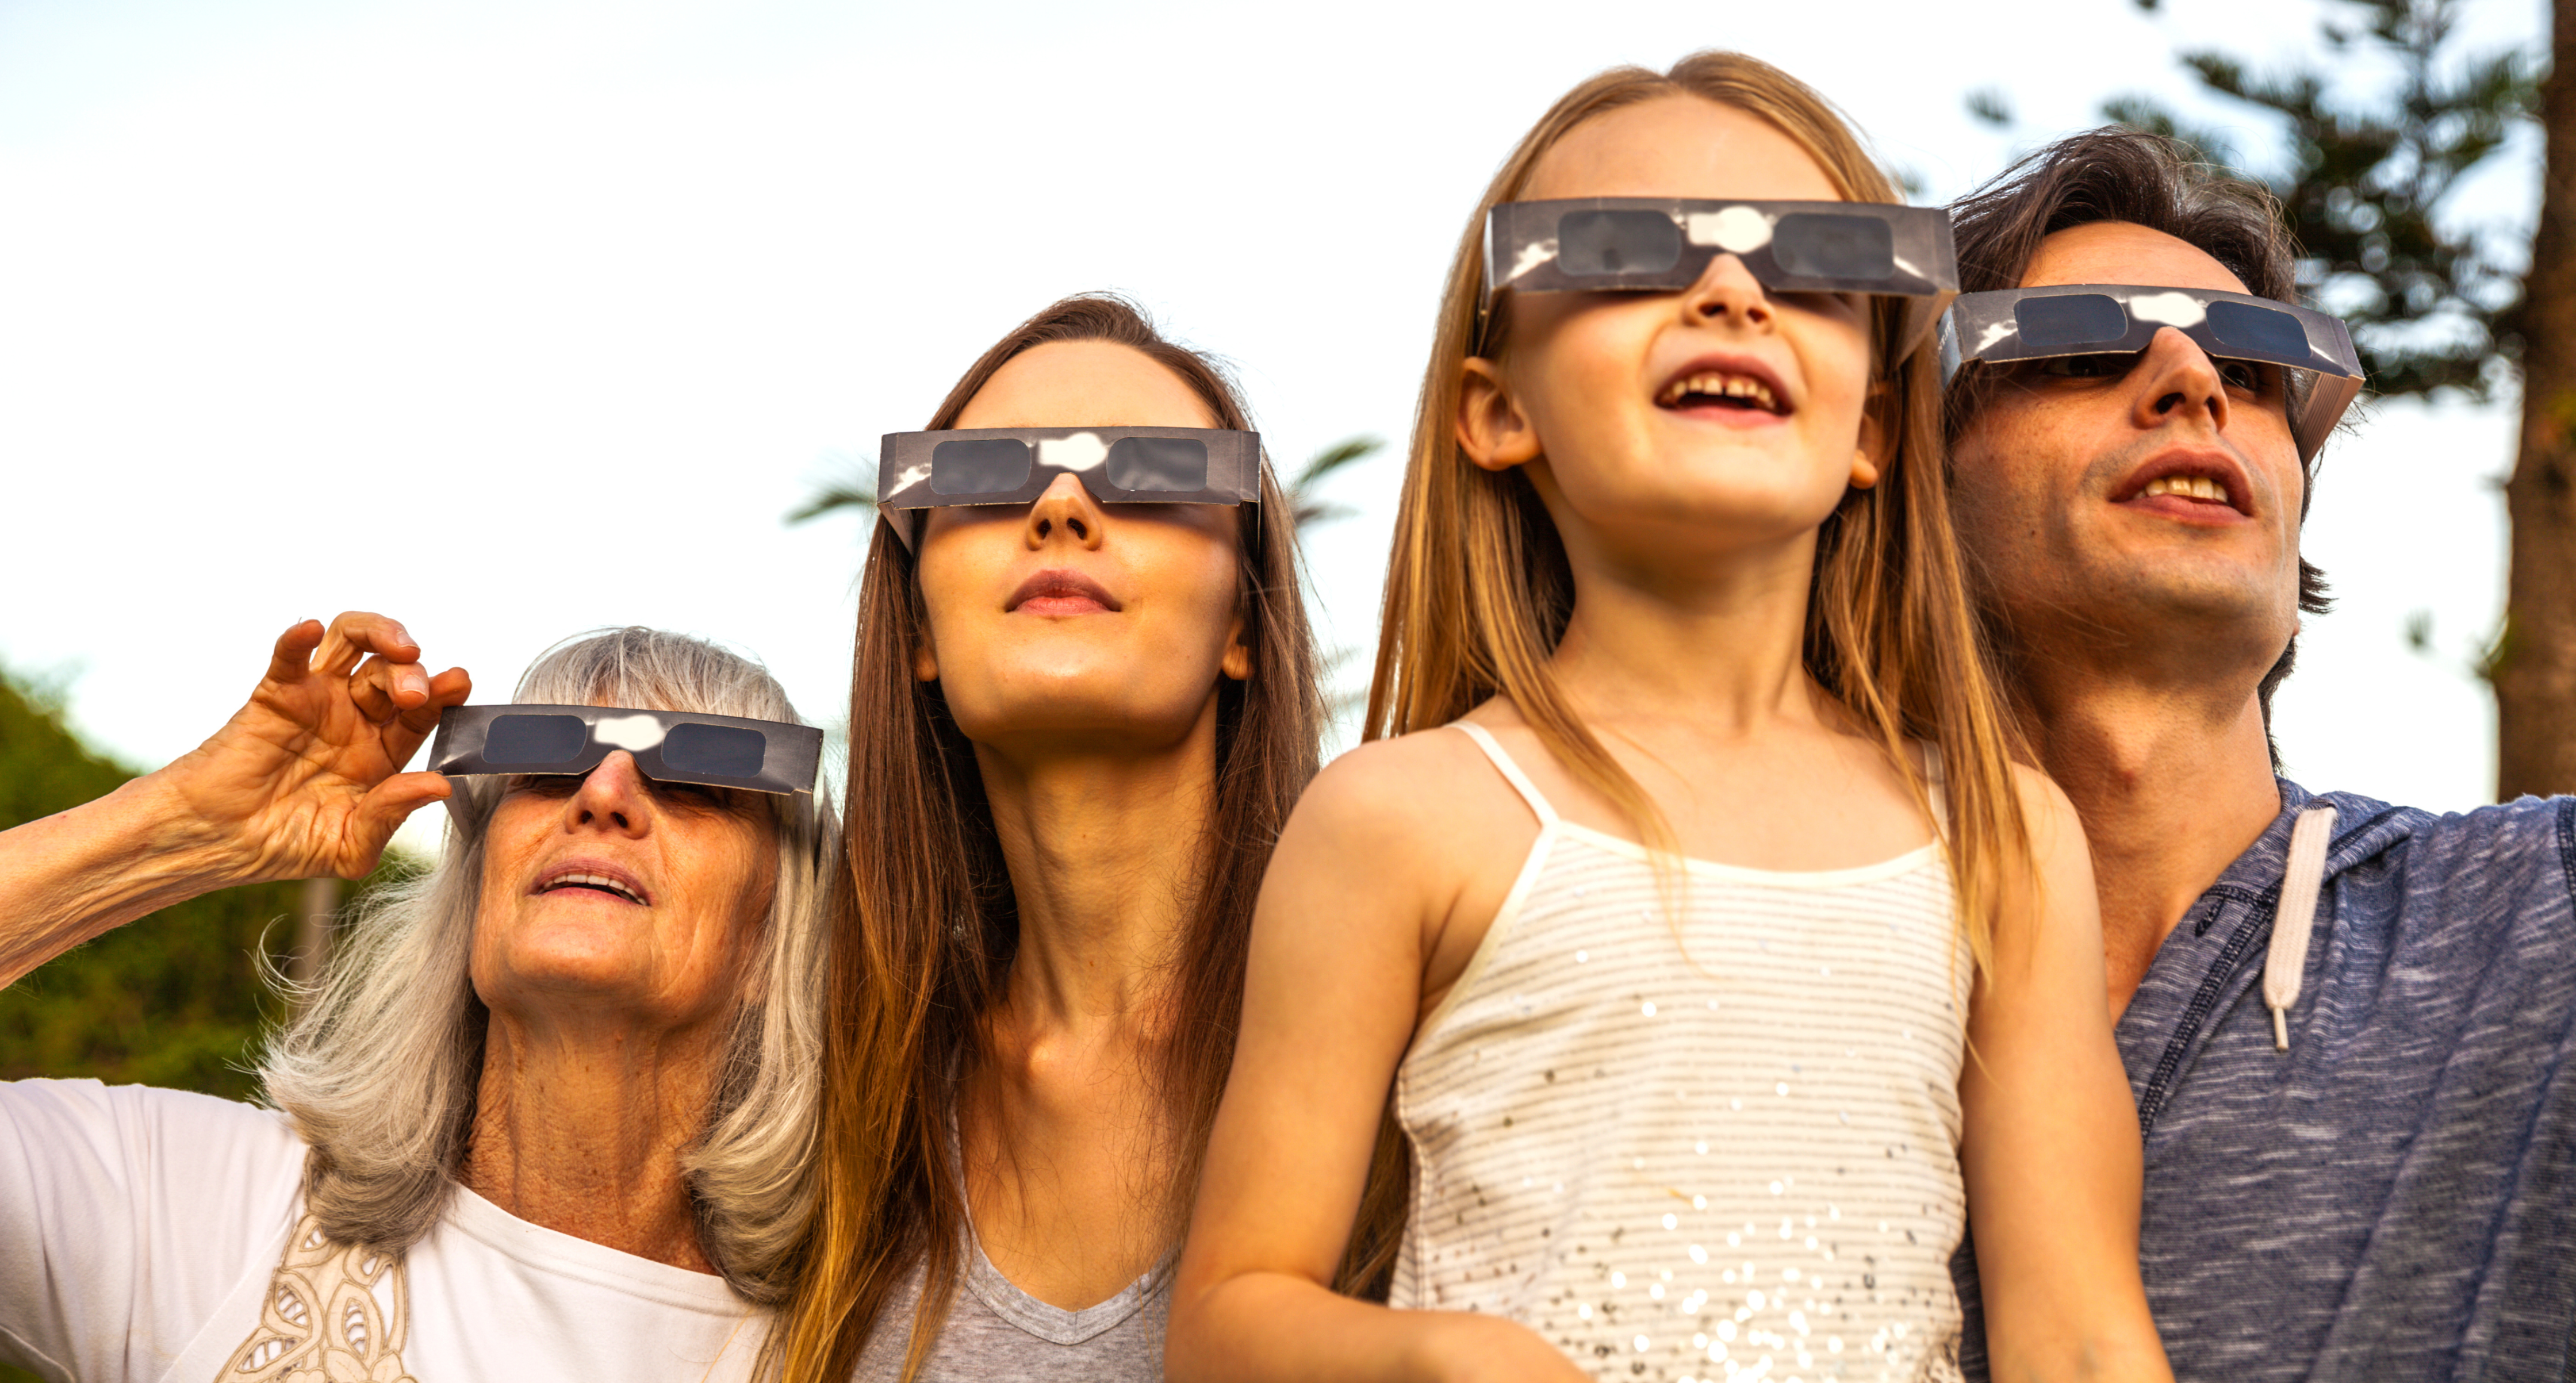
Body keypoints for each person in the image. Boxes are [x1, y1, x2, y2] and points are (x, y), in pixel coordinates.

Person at [1167, 52, 2170, 1383]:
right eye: (1626, 252)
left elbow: (2085, 1335)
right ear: (1497, 409)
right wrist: (1441, 1361)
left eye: (1816, 265)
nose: (1731, 291)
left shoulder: (2001, 830)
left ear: (1874, 422)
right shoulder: (1397, 818)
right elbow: (1228, 1317)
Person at [1939, 128, 2576, 1381]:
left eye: (2259, 360)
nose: (2194, 380)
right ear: (1904, 472)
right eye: (2082, 342)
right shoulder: (1754, 964)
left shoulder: (2547, 908)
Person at [0, 618, 834, 1380]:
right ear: (473, 894)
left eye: (694, 777)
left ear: (775, 937)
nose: (603, 792)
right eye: (547, 763)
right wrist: (184, 832)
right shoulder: (196, 1212)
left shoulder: (878, 1331)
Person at [762, 293, 1329, 1382]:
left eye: (1154, 472)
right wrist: (325, 862)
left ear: (1246, 625)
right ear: (920, 627)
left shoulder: (1410, 1023)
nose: (1062, 506)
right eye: (985, 477)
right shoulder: (828, 1089)